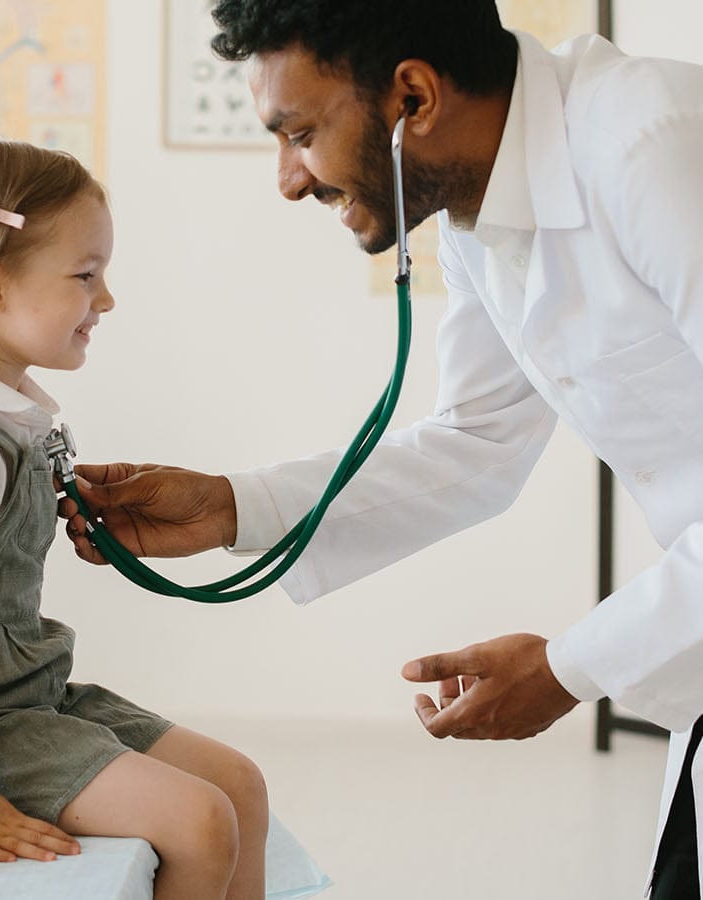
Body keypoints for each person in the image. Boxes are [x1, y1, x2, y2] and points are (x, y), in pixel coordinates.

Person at [59, 2, 703, 898]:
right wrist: (232, 507)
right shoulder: (480, 211)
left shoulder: (653, 147)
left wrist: (570, 667)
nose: (289, 179)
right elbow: (477, 441)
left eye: (301, 133)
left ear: (413, 95)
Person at [0, 129, 268, 900]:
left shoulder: (1, 420)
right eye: (85, 275)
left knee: (239, 785)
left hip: (23, 701)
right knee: (202, 821)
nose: (104, 299)